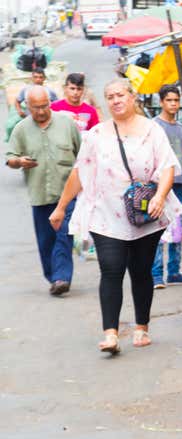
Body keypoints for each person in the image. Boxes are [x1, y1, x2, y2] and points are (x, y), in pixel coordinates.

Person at [49, 78, 182, 354]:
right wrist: (61, 206)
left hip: (146, 213)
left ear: (133, 97)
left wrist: (160, 196)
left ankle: (141, 328)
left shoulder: (152, 131)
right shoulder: (96, 134)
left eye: (120, 95)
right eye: (110, 97)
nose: (116, 100)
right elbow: (80, 172)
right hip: (105, 213)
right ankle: (110, 334)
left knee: (140, 271)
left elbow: (168, 166)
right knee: (110, 269)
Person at [6, 86, 81, 296]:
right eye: (35, 108)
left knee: (64, 235)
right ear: (27, 107)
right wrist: (19, 161)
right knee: (46, 241)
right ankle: (53, 276)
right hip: (40, 195)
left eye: (44, 106)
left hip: (67, 194)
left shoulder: (67, 124)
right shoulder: (21, 129)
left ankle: (62, 277)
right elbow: (10, 158)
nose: (40, 111)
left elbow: (83, 155)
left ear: (50, 103)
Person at [151, 84, 182, 289]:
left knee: (177, 231)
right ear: (161, 102)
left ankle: (175, 272)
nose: (173, 104)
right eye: (169, 100)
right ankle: (156, 274)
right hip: (158, 186)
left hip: (178, 186)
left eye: (176, 100)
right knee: (158, 231)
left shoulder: (181, 128)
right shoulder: (153, 126)